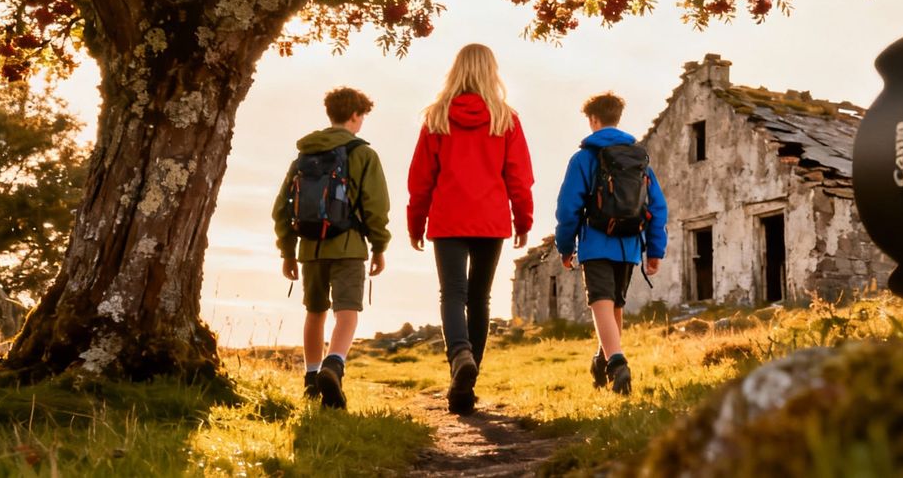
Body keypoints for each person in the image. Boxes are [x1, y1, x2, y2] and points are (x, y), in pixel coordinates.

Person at [408, 43, 534, 415]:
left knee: (452, 294)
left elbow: (421, 179)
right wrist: (522, 220)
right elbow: (518, 177)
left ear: (455, 70)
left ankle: (459, 356)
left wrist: (416, 222)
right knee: (479, 298)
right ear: (491, 71)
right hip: (490, 219)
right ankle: (466, 385)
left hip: (447, 219)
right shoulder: (505, 119)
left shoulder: (436, 118)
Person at [273, 86, 390, 410]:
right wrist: (379, 245)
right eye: (362, 115)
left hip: (310, 249)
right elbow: (375, 206)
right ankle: (333, 365)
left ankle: (312, 379)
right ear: (355, 115)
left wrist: (288, 250)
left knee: (315, 312)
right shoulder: (364, 154)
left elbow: (282, 207)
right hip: (349, 246)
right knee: (347, 313)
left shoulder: (305, 155)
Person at [555, 92, 668, 396]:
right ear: (618, 118)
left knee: (600, 302)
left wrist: (565, 246)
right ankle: (602, 360)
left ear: (593, 120)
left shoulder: (583, 158)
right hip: (630, 245)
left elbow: (568, 208)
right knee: (615, 305)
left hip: (596, 243)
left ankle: (617, 363)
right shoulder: (638, 159)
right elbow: (658, 207)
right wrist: (655, 250)